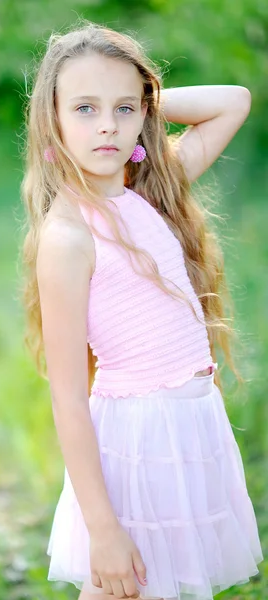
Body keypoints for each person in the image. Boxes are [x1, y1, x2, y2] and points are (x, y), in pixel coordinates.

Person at [18, 20, 264, 600]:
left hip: (189, 427)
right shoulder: (69, 236)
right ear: (50, 119)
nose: (107, 124)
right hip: (137, 443)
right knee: (122, 586)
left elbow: (234, 102)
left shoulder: (148, 192)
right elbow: (68, 398)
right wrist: (103, 529)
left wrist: (142, 100)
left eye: (123, 109)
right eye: (83, 109)